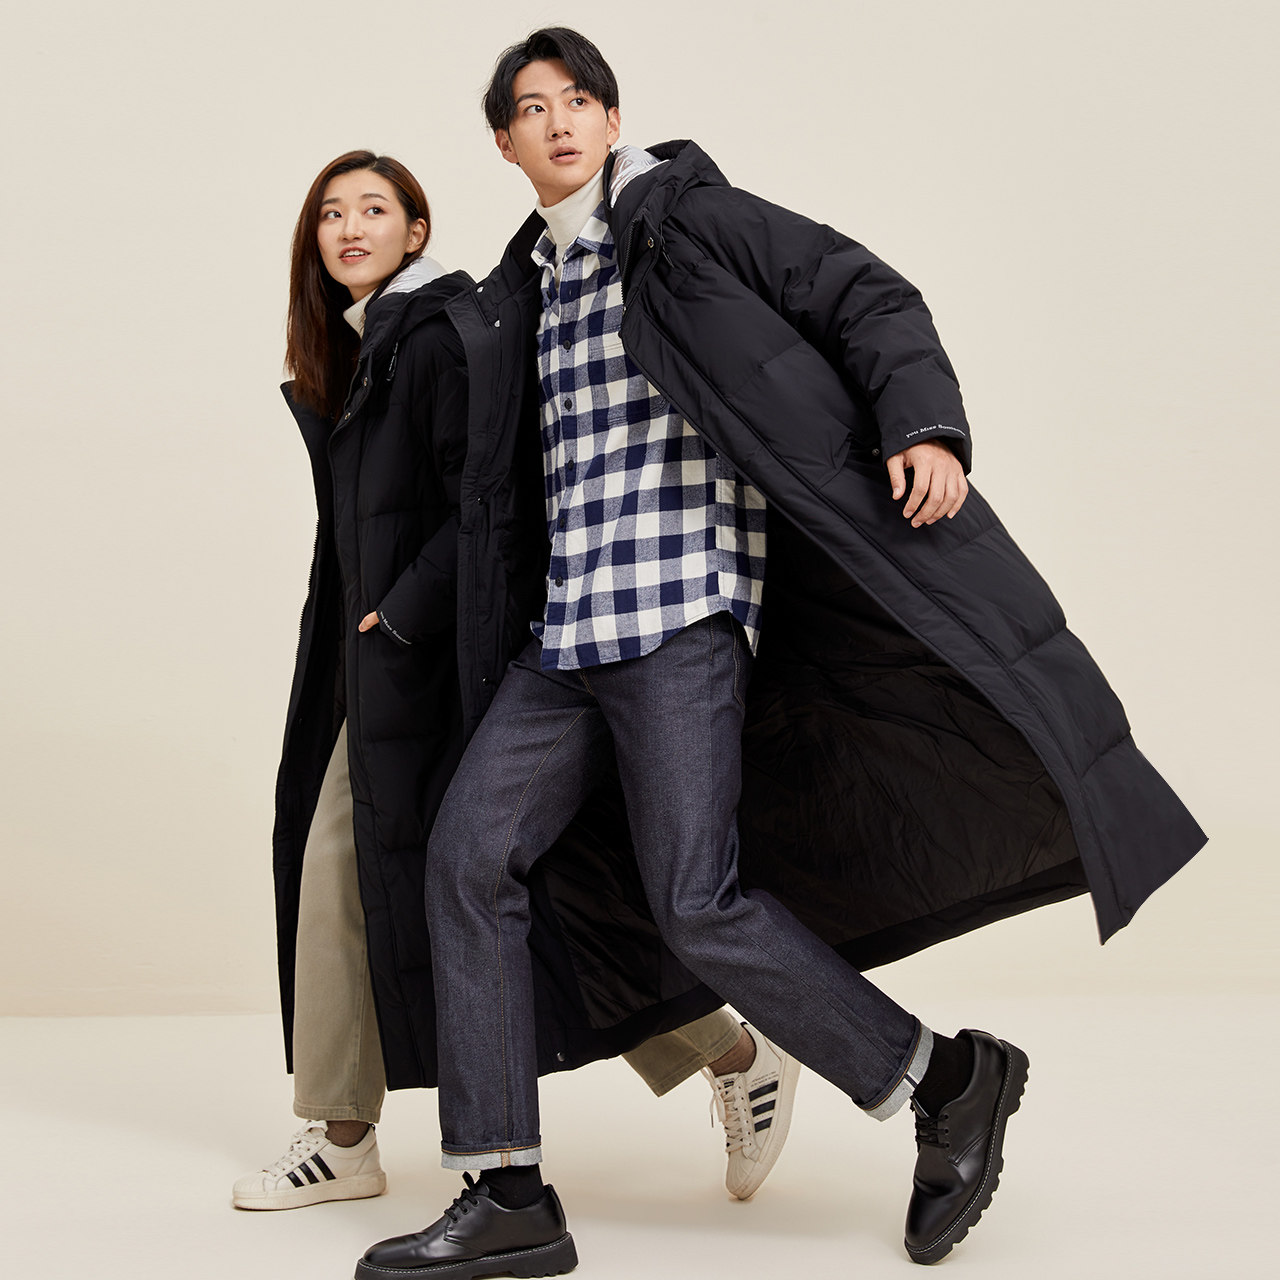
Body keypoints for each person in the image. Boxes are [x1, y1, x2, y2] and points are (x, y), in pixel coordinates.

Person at [355, 27, 1207, 1279]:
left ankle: (943, 1078)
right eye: (532, 109)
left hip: (681, 613)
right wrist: (410, 597)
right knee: (465, 859)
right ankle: (508, 1191)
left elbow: (863, 291)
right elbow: (491, 483)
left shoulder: (687, 222)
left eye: (579, 100)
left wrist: (922, 423)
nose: (560, 122)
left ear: (610, 118)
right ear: (502, 142)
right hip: (566, 633)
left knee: (695, 901)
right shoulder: (521, 288)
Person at [231, 150, 799, 1215]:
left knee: (363, 863)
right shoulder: (366, 347)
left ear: (415, 229)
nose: (349, 228)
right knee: (475, 883)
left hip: (449, 657)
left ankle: (349, 1135)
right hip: (390, 663)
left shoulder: (439, 334)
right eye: (330, 215)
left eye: (374, 209)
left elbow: (490, 494)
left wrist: (403, 608)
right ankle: (730, 1054)